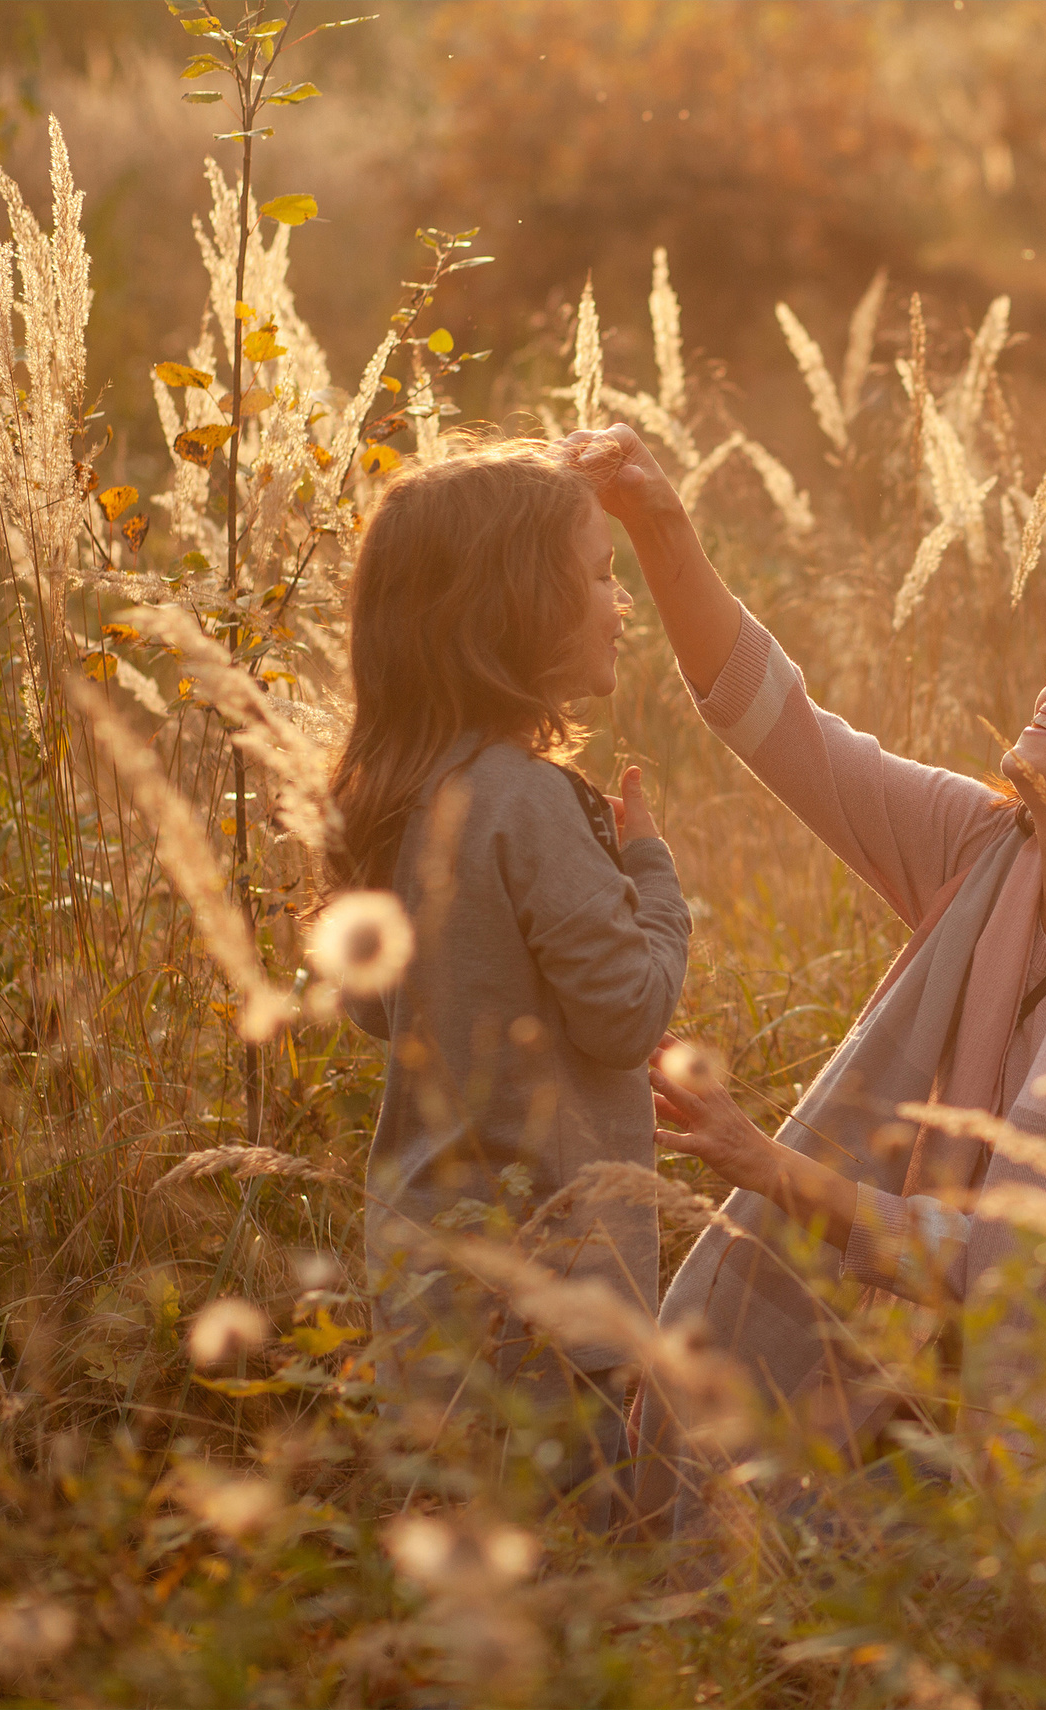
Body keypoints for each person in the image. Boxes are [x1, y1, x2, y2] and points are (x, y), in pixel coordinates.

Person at [567, 422, 1046, 1487]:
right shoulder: (984, 851)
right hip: (917, 1372)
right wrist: (658, 522)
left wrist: (771, 1166)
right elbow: (782, 725)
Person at [325, 440, 691, 1499]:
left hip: (423, 1272)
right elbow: (627, 1014)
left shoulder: (388, 797)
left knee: (459, 1534)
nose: (621, 604)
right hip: (558, 1285)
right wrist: (653, 876)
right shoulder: (527, 802)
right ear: (517, 609)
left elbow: (373, 1008)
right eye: (601, 575)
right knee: (580, 1548)